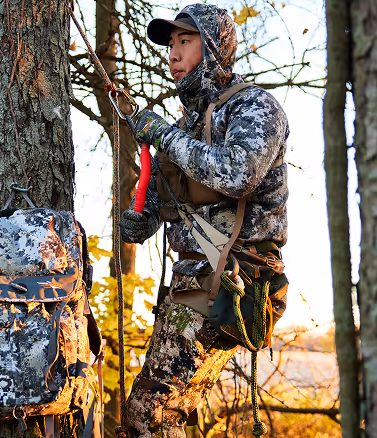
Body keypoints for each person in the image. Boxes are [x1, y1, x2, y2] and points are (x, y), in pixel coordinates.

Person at [118, 4, 290, 437]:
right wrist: (139, 222)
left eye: (185, 41)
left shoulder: (255, 107)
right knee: (155, 414)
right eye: (170, 45)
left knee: (151, 414)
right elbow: (157, 205)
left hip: (234, 281)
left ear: (213, 47)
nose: (173, 55)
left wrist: (164, 135)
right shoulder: (185, 127)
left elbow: (237, 173)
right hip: (192, 283)